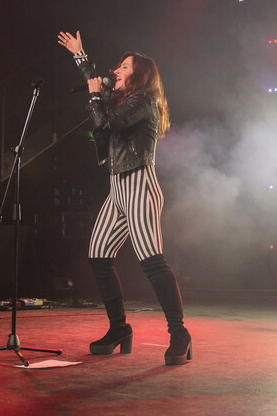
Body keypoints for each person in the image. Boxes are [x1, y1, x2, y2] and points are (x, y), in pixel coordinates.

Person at [57, 30, 191, 365]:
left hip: (139, 184)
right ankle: (119, 328)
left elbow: (108, 124)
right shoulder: (121, 99)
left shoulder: (144, 101)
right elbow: (98, 87)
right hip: (117, 188)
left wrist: (94, 97)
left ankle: (179, 333)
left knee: (152, 260)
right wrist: (80, 56)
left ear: (139, 76)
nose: (115, 70)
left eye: (124, 67)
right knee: (99, 256)